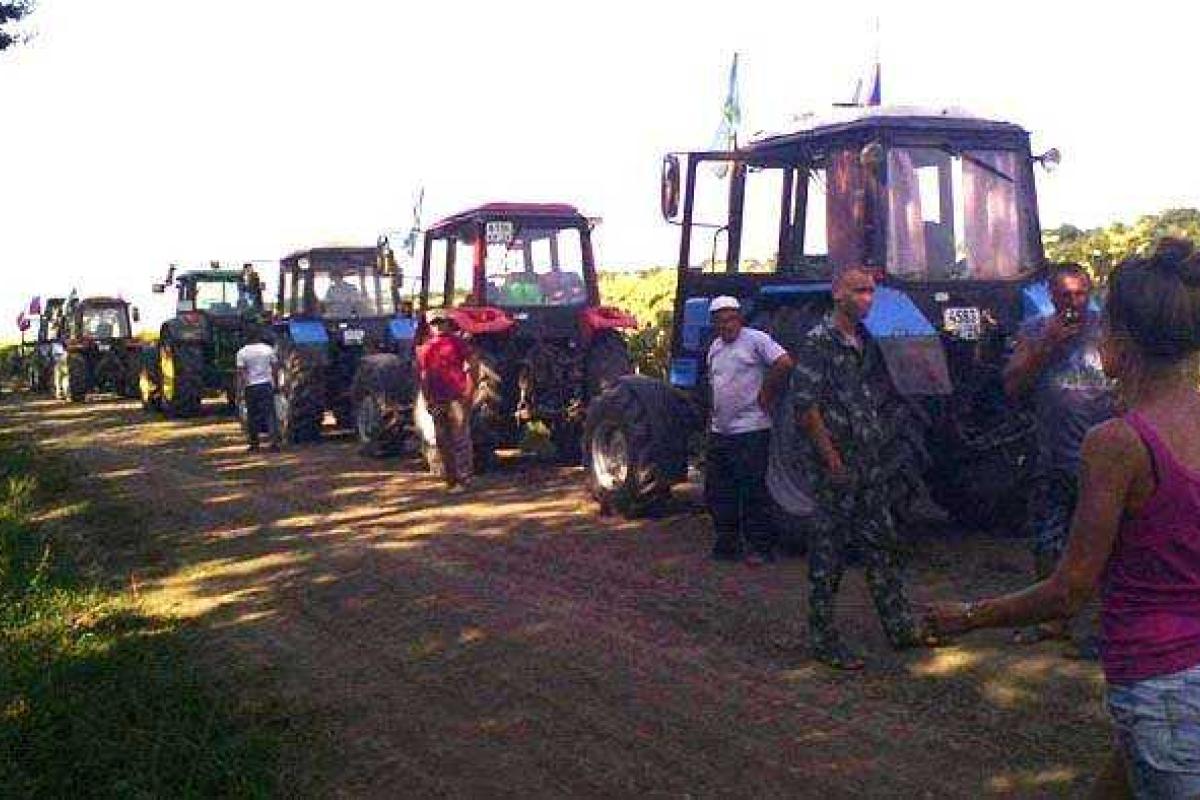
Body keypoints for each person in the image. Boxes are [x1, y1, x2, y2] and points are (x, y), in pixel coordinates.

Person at [927, 238, 1200, 798]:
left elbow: (1071, 589)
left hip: (1159, 681)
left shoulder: (1117, 443)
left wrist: (971, 616)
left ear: (1119, 346)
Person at [791, 266, 933, 669]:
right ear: (838, 294)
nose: (868, 298)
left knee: (881, 547)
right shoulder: (819, 342)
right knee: (828, 555)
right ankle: (823, 638)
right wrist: (833, 460)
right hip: (838, 468)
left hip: (869, 465)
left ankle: (900, 627)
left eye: (871, 291)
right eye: (859, 291)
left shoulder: (864, 340)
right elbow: (806, 407)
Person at [1003, 264, 1116, 646]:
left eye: (1080, 294)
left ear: (1090, 292)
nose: (1073, 303)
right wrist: (1046, 343)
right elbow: (1013, 385)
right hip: (1053, 454)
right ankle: (1052, 619)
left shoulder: (1109, 328)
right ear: (1051, 297)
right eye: (1064, 296)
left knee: (1110, 540)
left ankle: (1106, 623)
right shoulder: (1035, 329)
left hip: (1103, 459)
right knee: (1048, 539)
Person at [705, 295, 794, 564]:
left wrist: (766, 394)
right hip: (721, 431)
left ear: (740, 319)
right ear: (715, 324)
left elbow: (785, 363)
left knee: (752, 489)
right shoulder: (715, 348)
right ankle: (727, 544)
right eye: (722, 321)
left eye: (732, 319)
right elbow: (714, 385)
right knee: (719, 491)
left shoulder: (756, 340)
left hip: (751, 430)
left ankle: (760, 548)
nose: (728, 325)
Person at [417, 309, 474, 492]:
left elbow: (473, 364)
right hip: (437, 398)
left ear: (449, 324)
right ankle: (451, 480)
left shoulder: (458, 343)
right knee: (443, 439)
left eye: (442, 322)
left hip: (456, 397)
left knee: (459, 438)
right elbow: (424, 375)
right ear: (430, 327)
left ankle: (463, 478)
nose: (439, 326)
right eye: (434, 323)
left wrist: (469, 391)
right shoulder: (426, 348)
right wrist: (427, 399)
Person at [235, 327, 280, 452]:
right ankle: (274, 443)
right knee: (270, 415)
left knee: (252, 416)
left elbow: (241, 373)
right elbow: (275, 368)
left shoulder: (242, 352)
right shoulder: (268, 349)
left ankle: (254, 444)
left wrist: (240, 390)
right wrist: (275, 384)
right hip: (266, 385)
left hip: (251, 387)